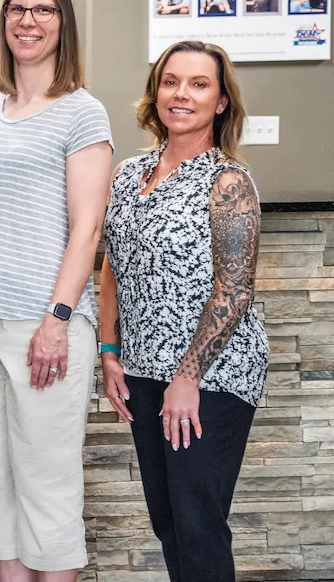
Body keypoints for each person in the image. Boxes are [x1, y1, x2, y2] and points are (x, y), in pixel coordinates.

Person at [0, 0, 112, 581]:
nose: (28, 21)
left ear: (62, 23)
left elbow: (87, 229)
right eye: (18, 9)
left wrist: (58, 319)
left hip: (43, 322)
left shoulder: (83, 112)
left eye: (43, 10)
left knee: (47, 483)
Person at [100, 40, 267, 582]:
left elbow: (235, 289)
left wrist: (187, 377)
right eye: (171, 81)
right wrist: (108, 350)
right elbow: (112, 268)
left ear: (221, 102)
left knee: (198, 523)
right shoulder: (128, 173)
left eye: (199, 84)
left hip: (210, 376)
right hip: (144, 368)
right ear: (156, 92)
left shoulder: (228, 183)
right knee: (169, 521)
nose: (182, 94)